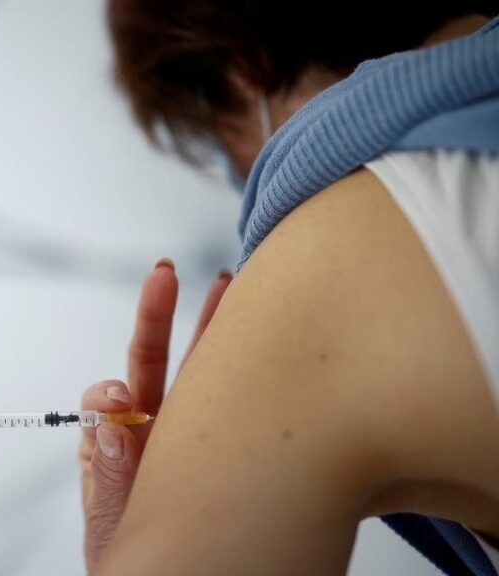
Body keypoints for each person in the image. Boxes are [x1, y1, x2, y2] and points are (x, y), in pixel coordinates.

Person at [76, 1, 499, 574]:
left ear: (243, 66)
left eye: (223, 149)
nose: (241, 182)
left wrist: (127, 545)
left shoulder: (304, 290)